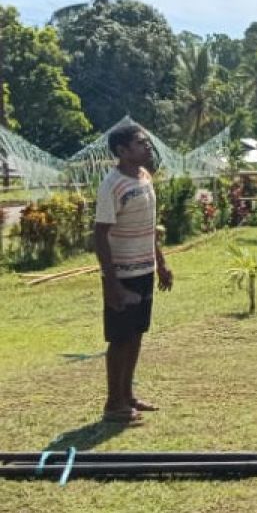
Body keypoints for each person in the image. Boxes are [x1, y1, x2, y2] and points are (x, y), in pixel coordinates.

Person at [94, 123, 173, 424]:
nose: (147, 147)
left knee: (137, 334)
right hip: (121, 274)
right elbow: (100, 235)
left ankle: (127, 396)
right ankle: (113, 404)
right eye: (140, 143)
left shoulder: (144, 178)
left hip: (144, 269)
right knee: (120, 338)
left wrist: (161, 263)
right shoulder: (111, 185)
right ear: (122, 151)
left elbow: (151, 227)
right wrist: (111, 283)